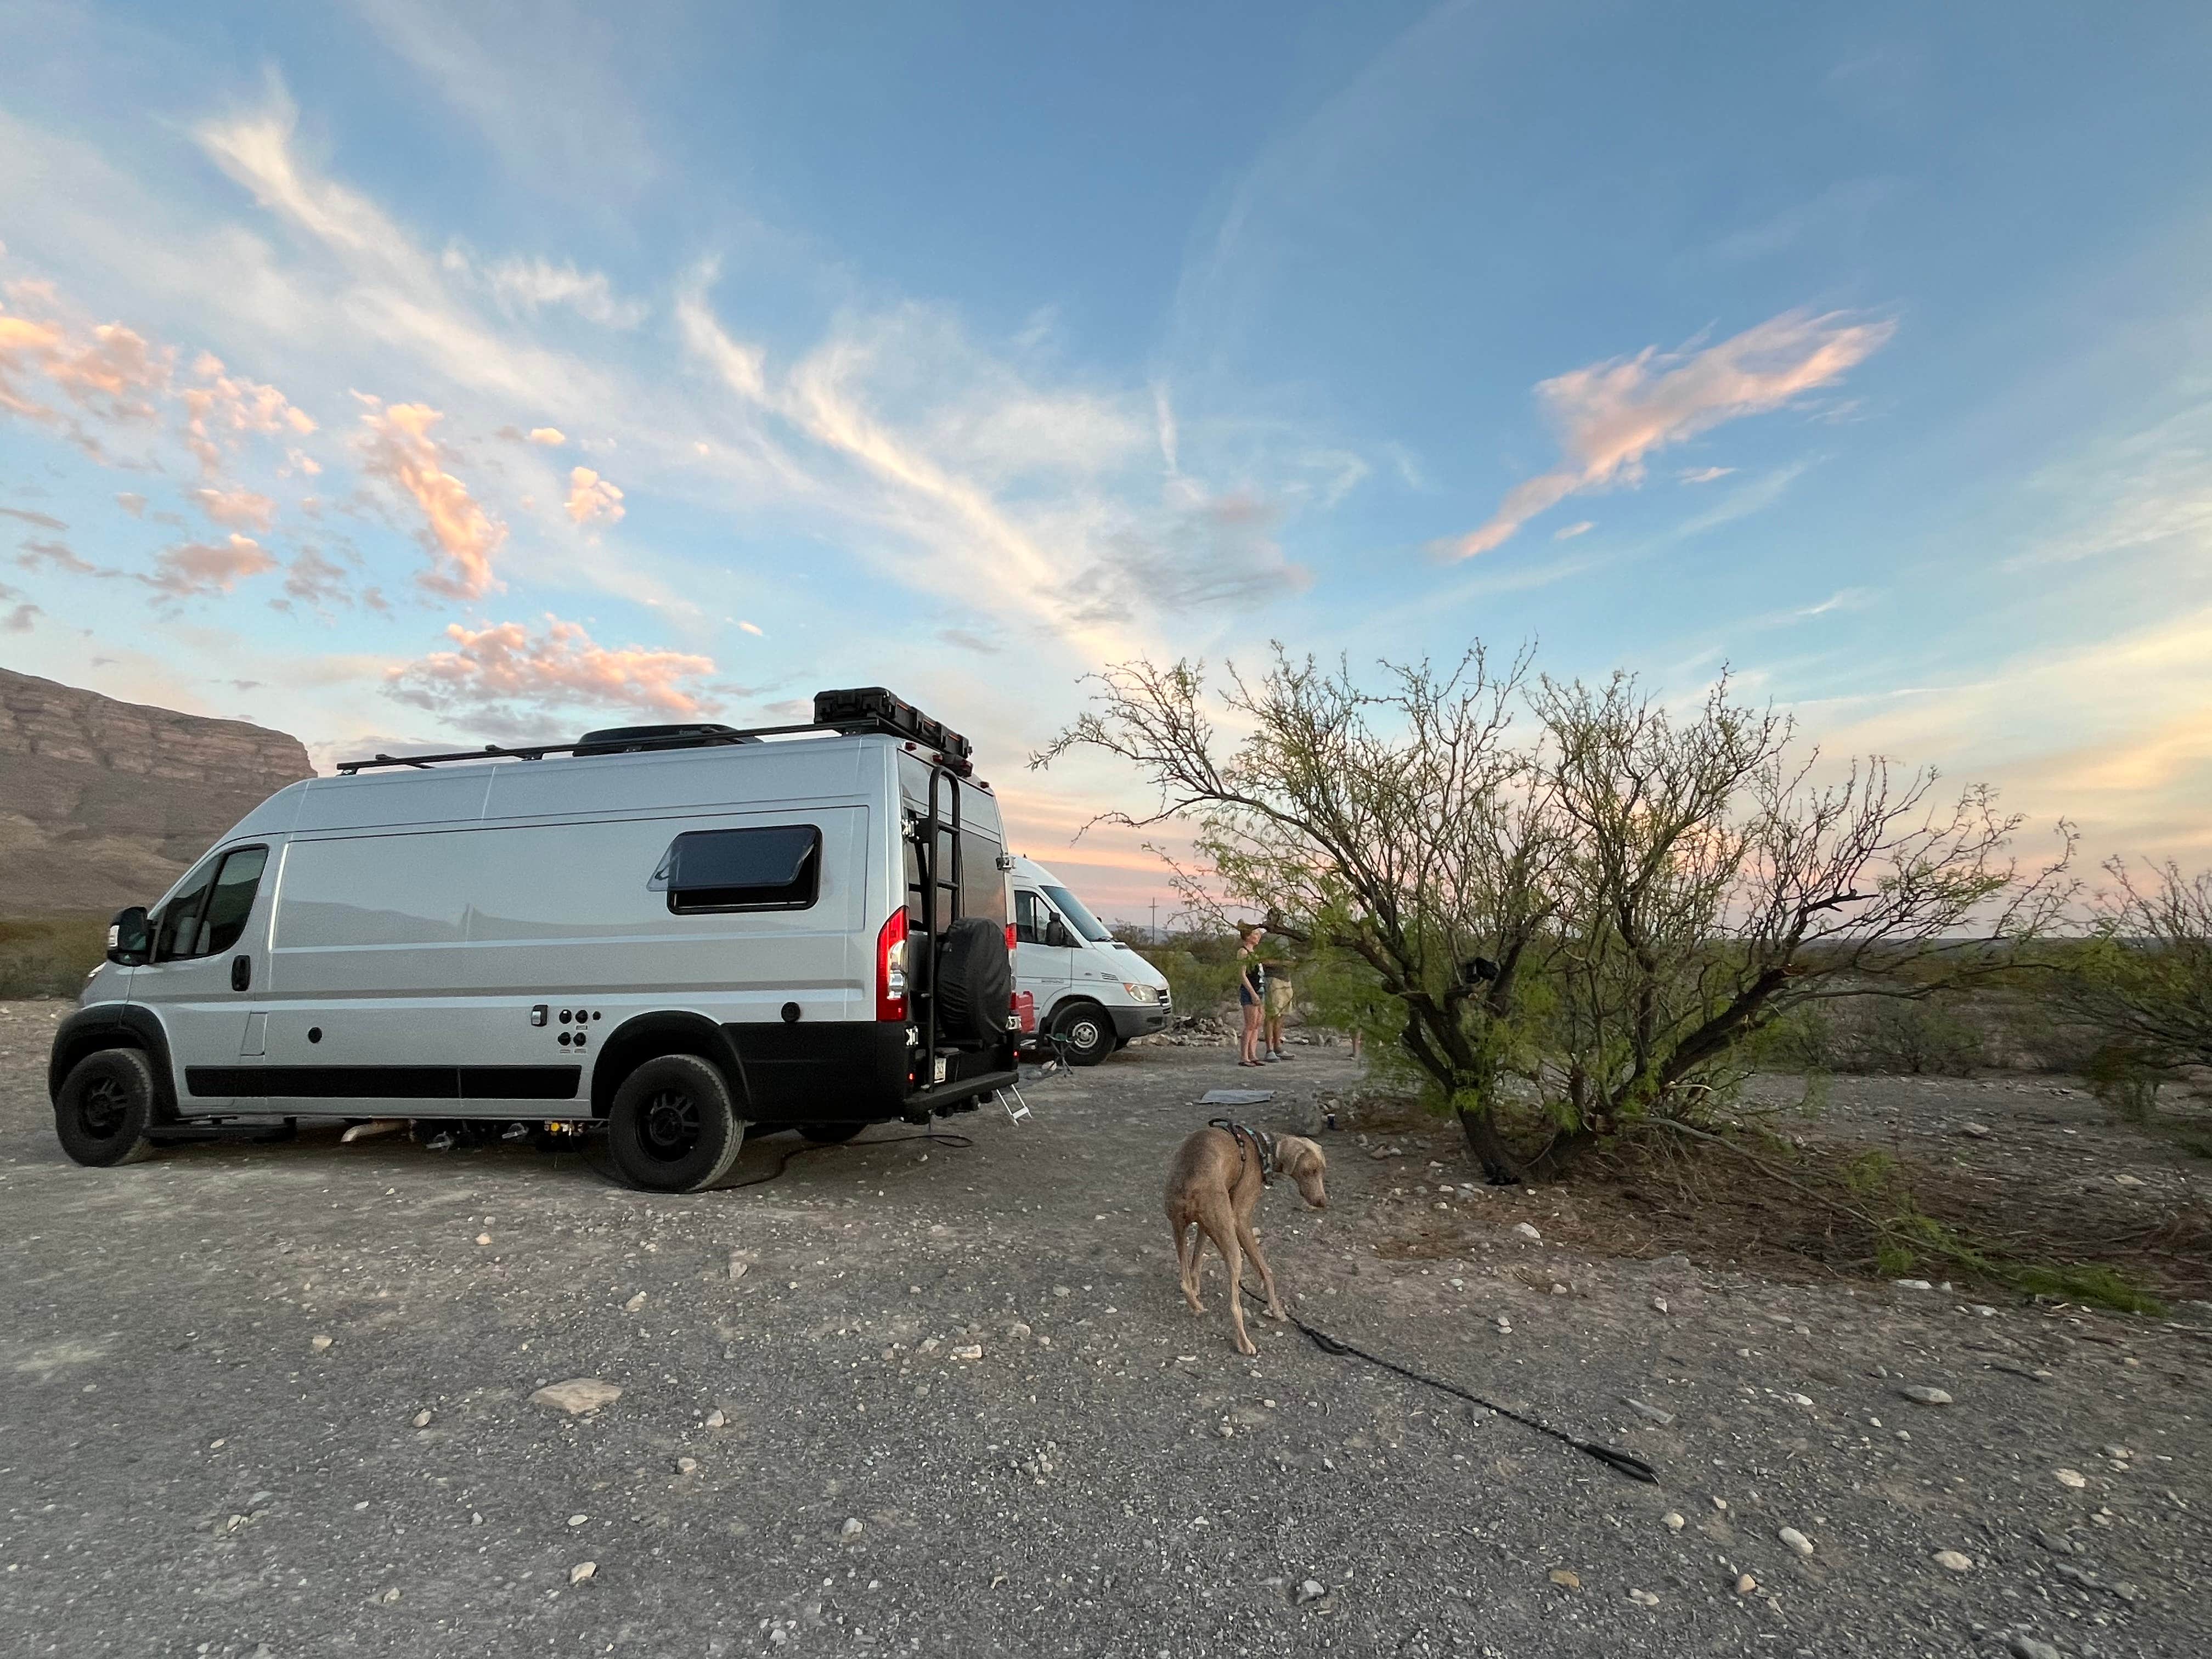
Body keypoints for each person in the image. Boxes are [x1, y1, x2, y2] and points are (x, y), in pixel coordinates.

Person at [1234, 922, 1266, 1067]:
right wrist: (1252, 993)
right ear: (1248, 936)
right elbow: (1242, 975)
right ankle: (1244, 1056)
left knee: (1258, 1023)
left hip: (1260, 989)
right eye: (1255, 934)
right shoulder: (1243, 952)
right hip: (1250, 991)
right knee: (1250, 1024)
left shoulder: (1255, 953)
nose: (1258, 937)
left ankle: (1253, 1054)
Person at [1262, 946, 1294, 1061]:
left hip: (1286, 980)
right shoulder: (1266, 939)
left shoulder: (1286, 937)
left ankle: (1278, 1047)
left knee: (1282, 1015)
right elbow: (1264, 960)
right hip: (1273, 979)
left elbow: (1294, 961)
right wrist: (1282, 963)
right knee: (1272, 1014)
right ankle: (1269, 1050)